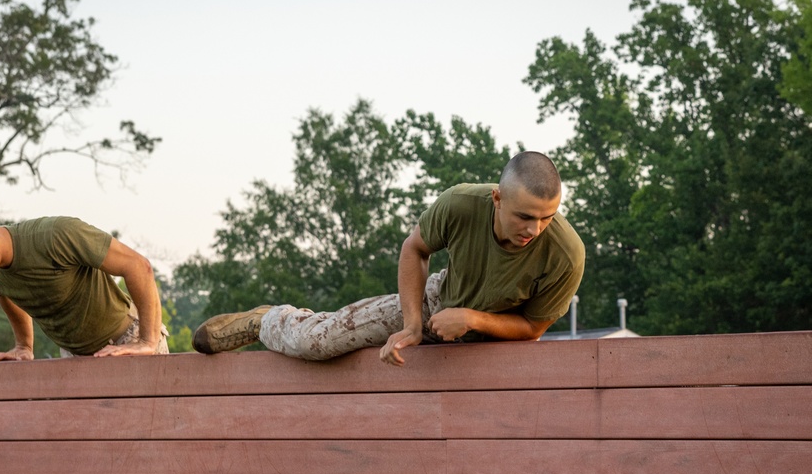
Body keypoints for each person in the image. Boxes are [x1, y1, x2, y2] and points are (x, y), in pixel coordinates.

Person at [192, 151, 584, 366]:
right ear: (497, 199)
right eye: (524, 216)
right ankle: (267, 320)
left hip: (489, 339)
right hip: (436, 303)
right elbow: (414, 249)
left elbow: (533, 328)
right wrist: (414, 325)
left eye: (546, 218)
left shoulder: (566, 253)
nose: (534, 229)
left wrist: (472, 320)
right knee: (319, 343)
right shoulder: (462, 203)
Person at [0, 208, 168, 361]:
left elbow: (138, 266)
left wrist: (147, 341)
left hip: (128, 341)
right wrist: (23, 347)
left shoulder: (56, 235)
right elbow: (7, 296)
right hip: (77, 356)